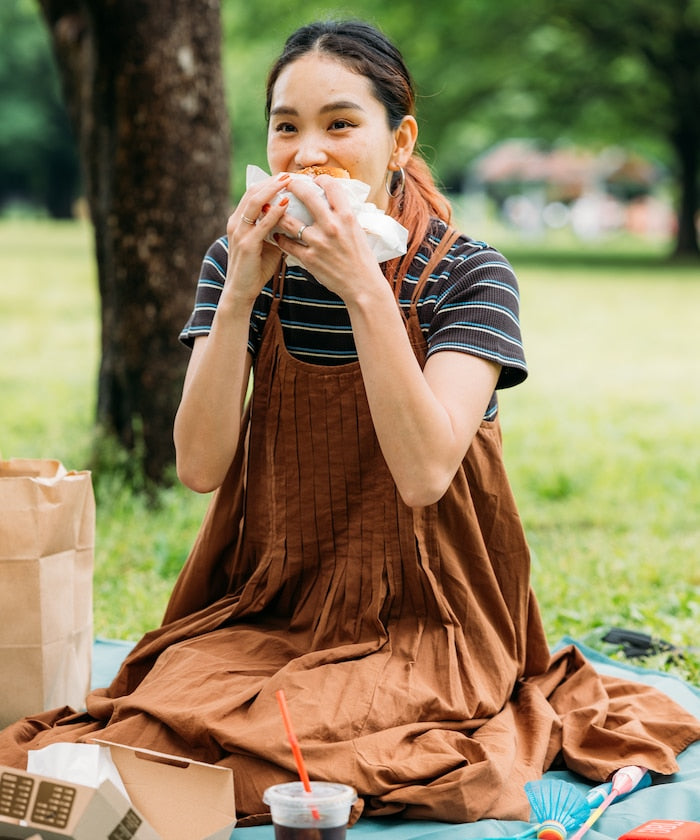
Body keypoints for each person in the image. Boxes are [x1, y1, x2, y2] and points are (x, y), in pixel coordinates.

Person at [1, 19, 699, 827]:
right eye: (286, 127)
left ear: (398, 141)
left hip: (429, 611)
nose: (307, 153)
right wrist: (239, 294)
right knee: (158, 714)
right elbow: (198, 466)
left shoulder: (469, 275)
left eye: (340, 124)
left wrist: (366, 289)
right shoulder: (240, 261)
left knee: (301, 735)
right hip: (273, 598)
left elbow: (426, 471)